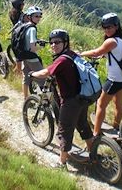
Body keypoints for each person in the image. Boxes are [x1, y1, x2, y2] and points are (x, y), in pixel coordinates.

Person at [30, 29, 93, 168]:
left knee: (64, 130)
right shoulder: (71, 54)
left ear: (65, 43)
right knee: (82, 123)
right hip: (83, 96)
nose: (53, 45)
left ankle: (62, 163)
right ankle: (92, 151)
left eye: (57, 42)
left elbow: (46, 72)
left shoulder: (61, 59)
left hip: (71, 101)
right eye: (51, 42)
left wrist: (33, 74)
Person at [80, 13, 122, 137]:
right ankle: (116, 126)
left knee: (101, 105)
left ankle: (96, 133)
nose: (106, 30)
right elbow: (111, 53)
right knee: (118, 102)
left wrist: (80, 54)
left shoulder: (111, 41)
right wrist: (104, 54)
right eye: (104, 27)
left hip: (114, 80)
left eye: (109, 27)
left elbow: (96, 52)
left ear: (116, 26)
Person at [21, 6, 45, 99]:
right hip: (32, 58)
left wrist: (37, 41)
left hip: (24, 56)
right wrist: (41, 46)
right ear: (30, 17)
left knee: (26, 78)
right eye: (36, 16)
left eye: (40, 16)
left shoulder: (25, 26)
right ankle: (45, 103)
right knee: (43, 79)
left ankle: (26, 98)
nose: (38, 18)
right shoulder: (32, 29)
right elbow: (32, 48)